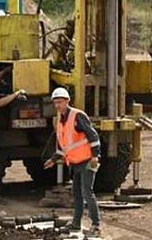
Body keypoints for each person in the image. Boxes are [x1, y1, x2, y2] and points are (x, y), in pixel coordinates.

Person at [43, 87, 102, 238]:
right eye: (55, 103)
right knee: (77, 195)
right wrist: (53, 160)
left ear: (67, 101)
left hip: (87, 161)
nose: (58, 105)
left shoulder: (77, 116)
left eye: (60, 102)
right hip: (75, 163)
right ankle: (76, 223)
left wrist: (95, 156)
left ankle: (96, 225)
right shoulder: (61, 121)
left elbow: (93, 136)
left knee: (87, 193)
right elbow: (65, 147)